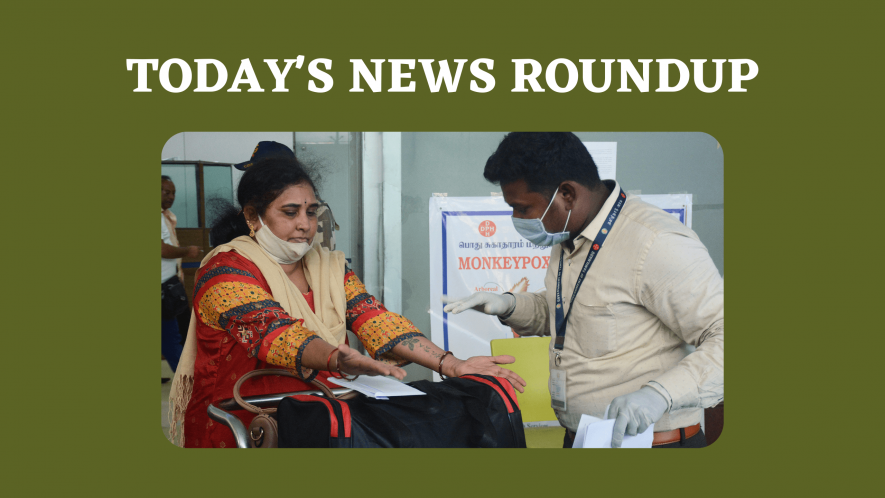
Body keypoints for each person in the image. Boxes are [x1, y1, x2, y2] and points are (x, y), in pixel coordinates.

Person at [168, 151, 526, 448]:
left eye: (312, 212)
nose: (305, 225)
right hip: (247, 424)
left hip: (322, 419)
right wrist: (336, 357)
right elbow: (272, 332)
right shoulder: (224, 269)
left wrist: (451, 365)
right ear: (252, 216)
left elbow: (376, 320)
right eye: (290, 213)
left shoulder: (328, 266)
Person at [444, 133, 723, 448]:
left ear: (567, 194)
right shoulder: (568, 235)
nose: (516, 219)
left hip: (654, 444)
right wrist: (508, 305)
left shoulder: (654, 242)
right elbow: (569, 313)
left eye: (522, 208)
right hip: (584, 440)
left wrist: (659, 395)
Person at [161, 175, 201, 374]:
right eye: (166, 192)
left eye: (173, 192)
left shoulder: (165, 216)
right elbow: (161, 249)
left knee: (174, 333)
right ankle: (186, 380)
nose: (171, 196)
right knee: (174, 336)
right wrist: (187, 251)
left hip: (171, 282)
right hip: (164, 288)